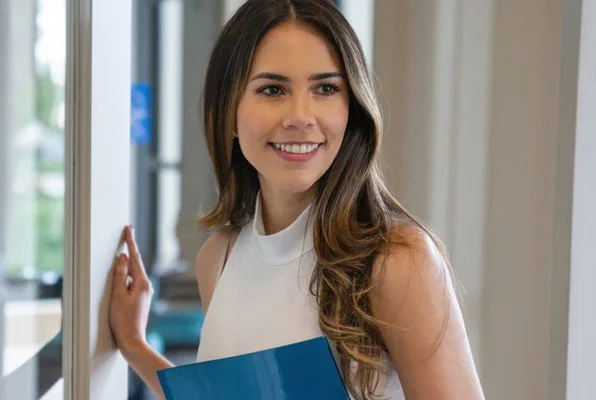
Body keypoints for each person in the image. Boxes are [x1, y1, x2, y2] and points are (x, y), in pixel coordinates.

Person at [108, 0, 485, 399]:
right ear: (227, 111)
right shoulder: (217, 259)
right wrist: (134, 345)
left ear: (351, 107)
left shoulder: (396, 260)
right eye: (272, 89)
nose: (300, 116)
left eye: (325, 88)